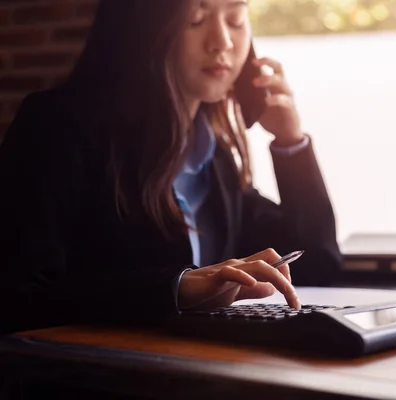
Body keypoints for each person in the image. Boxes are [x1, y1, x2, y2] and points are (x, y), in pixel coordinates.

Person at [0, 0, 342, 335]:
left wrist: (290, 143)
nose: (222, 41)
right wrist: (178, 287)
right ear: (142, 31)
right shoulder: (57, 127)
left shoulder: (215, 161)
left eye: (236, 20)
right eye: (195, 19)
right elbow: (17, 295)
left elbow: (316, 265)